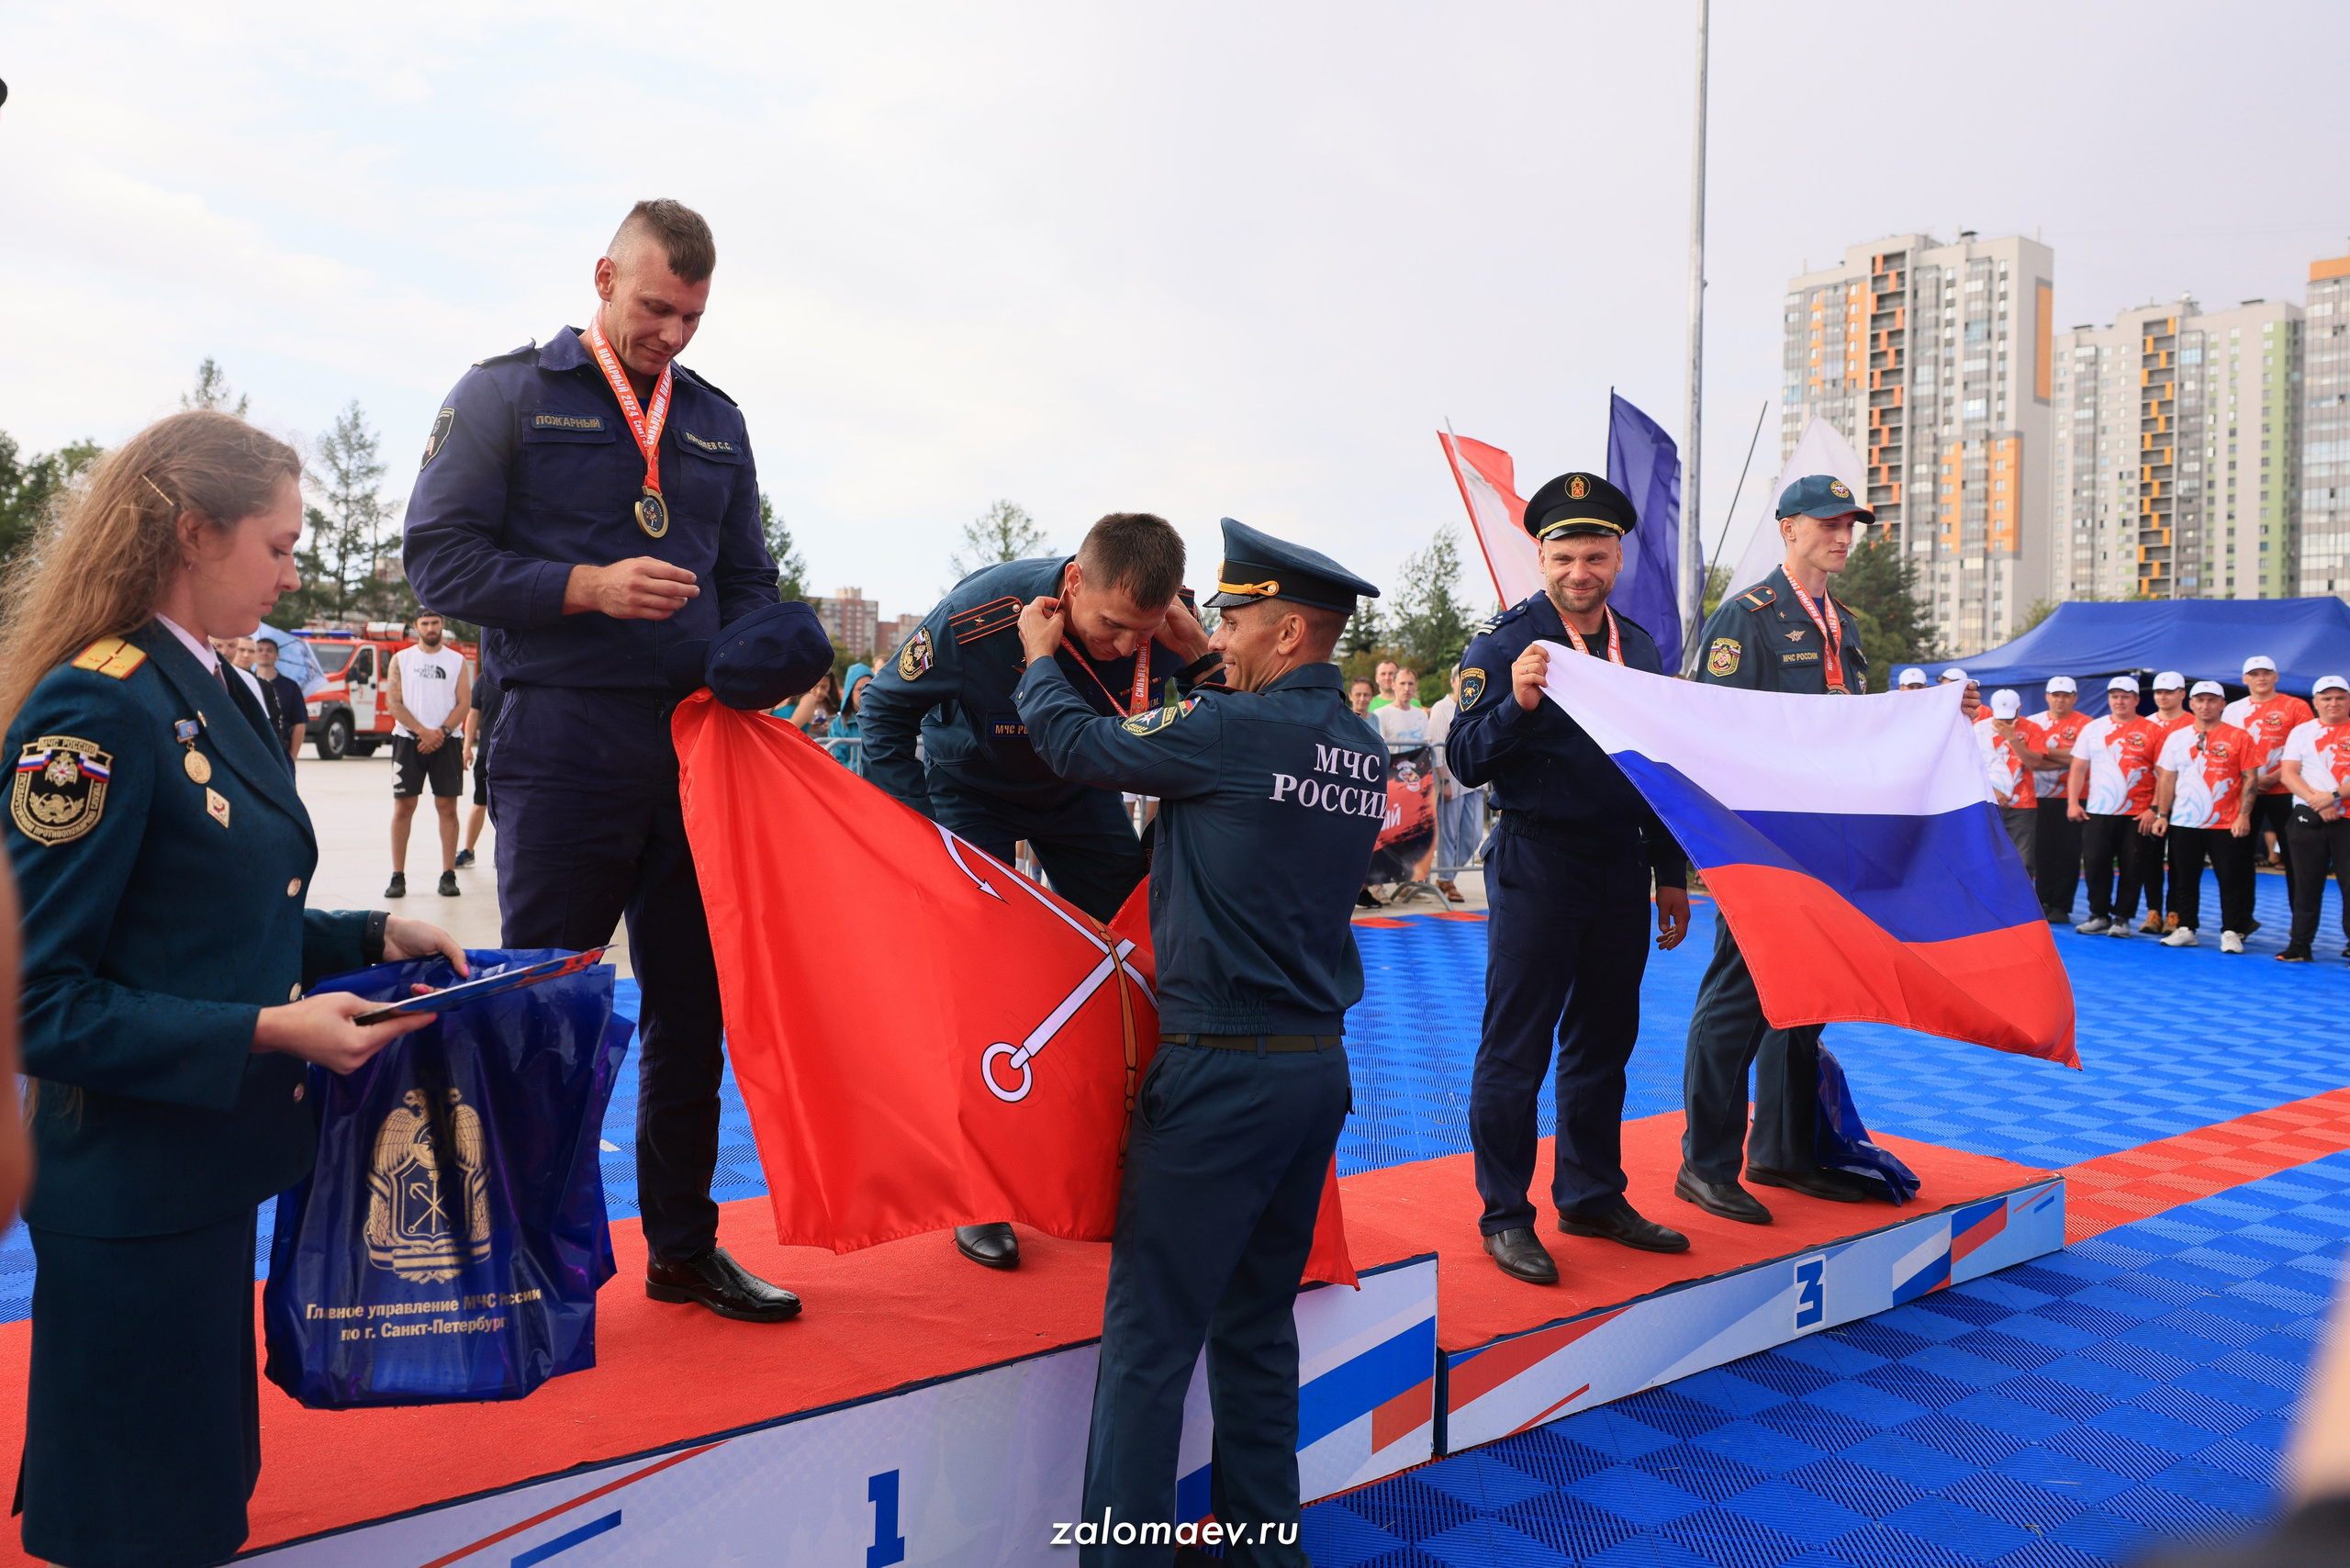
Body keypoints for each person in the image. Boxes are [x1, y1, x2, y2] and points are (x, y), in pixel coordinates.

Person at [1, 409, 465, 1567]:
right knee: (139, 1515)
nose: (293, 576)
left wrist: (371, 930)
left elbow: (207, 916)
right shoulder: (96, 707)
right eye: (279, 546)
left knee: (197, 1494)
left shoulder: (222, 688)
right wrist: (268, 1029)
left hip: (201, 1173)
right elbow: (35, 999)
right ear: (194, 532)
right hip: (129, 1193)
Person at [405, 198, 823, 1324]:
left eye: (692, 317)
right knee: (545, 1004)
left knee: (693, 1008)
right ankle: (521, 1257)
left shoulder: (716, 419)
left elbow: (745, 576)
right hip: (561, 743)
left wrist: (765, 652)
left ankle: (683, 1247)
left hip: (696, 748)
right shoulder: (504, 392)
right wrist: (583, 587)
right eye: (654, 309)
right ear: (603, 277)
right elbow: (437, 560)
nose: (670, 335)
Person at [1010, 516, 1384, 1568]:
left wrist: (1040, 661)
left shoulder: (1229, 730)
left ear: (1289, 630)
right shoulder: (1358, 748)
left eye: (1233, 619)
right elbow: (1249, 759)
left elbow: (1078, 746)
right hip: (1314, 1072)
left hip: (1220, 1073)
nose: (1216, 634)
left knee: (1149, 1341)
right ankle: (1266, 1549)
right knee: (1256, 1326)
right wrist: (1199, 664)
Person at [860, 510, 1213, 1270]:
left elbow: (1227, 725)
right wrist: (920, 839)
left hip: (1078, 790)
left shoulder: (1171, 625)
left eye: (1143, 633)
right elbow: (883, 712)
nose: (1126, 647)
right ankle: (980, 1191)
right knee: (979, 982)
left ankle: (1123, 1151)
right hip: (971, 791)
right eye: (1112, 626)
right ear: (1075, 582)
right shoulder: (981, 614)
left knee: (1139, 949)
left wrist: (1202, 655)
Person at [1446, 471, 1691, 1284]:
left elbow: (1655, 767)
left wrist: (1668, 871)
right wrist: (1514, 704)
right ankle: (1505, 1215)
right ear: (1542, 559)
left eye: (1595, 555)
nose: (1580, 572)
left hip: (1620, 864)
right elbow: (1464, 760)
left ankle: (1590, 1195)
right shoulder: (1504, 643)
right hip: (1538, 862)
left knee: (1603, 1041)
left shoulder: (1641, 647)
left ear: (1617, 558)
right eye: (1564, 557)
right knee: (1516, 1046)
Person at [1680, 474, 1877, 1225]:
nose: (1842, 535)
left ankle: (1785, 1151)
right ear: (1788, 528)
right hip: (1759, 842)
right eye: (1827, 523)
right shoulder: (1748, 616)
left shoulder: (1843, 624)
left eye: (1849, 524)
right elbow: (1713, 731)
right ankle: (1705, 1164)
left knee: (1807, 996)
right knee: (1739, 997)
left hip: (1825, 839)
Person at [2152, 681, 2256, 951]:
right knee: (2184, 877)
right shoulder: (2177, 738)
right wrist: (2162, 814)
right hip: (2184, 821)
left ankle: (2231, 931)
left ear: (2223, 704)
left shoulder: (2240, 737)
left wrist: (2244, 816)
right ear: (2191, 704)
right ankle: (2186, 927)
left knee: (2230, 879)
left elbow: (2250, 779)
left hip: (2226, 822)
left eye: (2212, 700)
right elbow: (2167, 778)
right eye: (2200, 700)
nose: (2205, 706)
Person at [385, 610, 471, 899]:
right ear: (416, 626)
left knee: (448, 809)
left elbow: (464, 703)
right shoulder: (402, 659)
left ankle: (448, 875)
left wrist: (440, 733)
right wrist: (422, 731)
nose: (430, 627)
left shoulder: (456, 660)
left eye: (435, 622)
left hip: (447, 742)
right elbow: (393, 702)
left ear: (442, 624)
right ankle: (397, 876)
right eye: (425, 623)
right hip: (409, 741)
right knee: (403, 808)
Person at [2066, 676, 2161, 935]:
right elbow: (2078, 768)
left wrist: (2154, 808)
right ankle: (2099, 914)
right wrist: (2073, 802)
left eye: (2125, 697)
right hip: (2099, 810)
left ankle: (2122, 918)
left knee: (2133, 866)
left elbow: (2165, 774)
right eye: (2115, 696)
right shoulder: (2094, 728)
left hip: (2138, 813)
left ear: (2136, 700)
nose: (2119, 701)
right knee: (2095, 863)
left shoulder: (2153, 730)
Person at [2277, 675, 2350, 963]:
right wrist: (2317, 802)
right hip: (2308, 816)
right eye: (2327, 698)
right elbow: (2288, 774)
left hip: (2347, 818)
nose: (2333, 703)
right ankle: (2299, 945)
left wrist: (2332, 796)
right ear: (2315, 702)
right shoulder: (2301, 732)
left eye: (2340, 697)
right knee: (2305, 883)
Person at [2224, 655, 2313, 877]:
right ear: (2245, 679)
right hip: (2245, 791)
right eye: (2254, 674)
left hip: (2287, 790)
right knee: (2240, 854)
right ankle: (2242, 903)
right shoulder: (2233, 710)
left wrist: (2273, 778)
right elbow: (2228, 750)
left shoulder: (2296, 706)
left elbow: (2308, 750)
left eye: (2266, 673)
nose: (2261, 678)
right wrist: (2251, 780)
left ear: (2276, 677)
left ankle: (2298, 902)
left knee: (2294, 856)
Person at [2139, 671, 2195, 933]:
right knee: (2150, 860)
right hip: (2152, 804)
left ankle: (2175, 913)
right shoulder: (2145, 724)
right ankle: (2153, 913)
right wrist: (2153, 806)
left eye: (2169, 692)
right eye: (2158, 692)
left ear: (2182, 694)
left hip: (2186, 804)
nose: (2162, 697)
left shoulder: (2195, 724)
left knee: (2180, 862)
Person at [2030, 677, 2088, 923]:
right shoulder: (2033, 723)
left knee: (2069, 852)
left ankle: (2062, 905)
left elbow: (2083, 758)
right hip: (2038, 795)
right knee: (2041, 851)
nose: (2060, 700)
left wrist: (2044, 754)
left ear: (2074, 698)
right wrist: (2069, 757)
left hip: (2073, 797)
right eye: (2056, 695)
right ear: (2047, 697)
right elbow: (2031, 759)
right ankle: (2042, 901)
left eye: (2066, 696)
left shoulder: (2087, 725)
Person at [1425, 665, 1483, 903]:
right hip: (1451, 781)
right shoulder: (1442, 708)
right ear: (1452, 681)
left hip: (1475, 782)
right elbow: (1437, 746)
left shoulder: (1478, 704)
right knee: (1448, 835)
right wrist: (1444, 781)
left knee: (1474, 835)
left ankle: (1447, 876)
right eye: (1461, 679)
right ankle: (1446, 879)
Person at [1375, 666, 1437, 888]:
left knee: (1410, 835)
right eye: (1402, 683)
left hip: (1413, 787)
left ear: (1416, 686)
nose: (1406, 688)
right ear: (1393, 685)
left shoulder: (1420, 715)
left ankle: (1407, 884)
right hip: (1389, 785)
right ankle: (1377, 885)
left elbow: (1426, 748)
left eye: (1411, 684)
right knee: (1384, 835)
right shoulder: (1382, 714)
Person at [1978, 689, 2040, 872]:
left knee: (2023, 862)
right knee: (1986, 859)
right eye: (2001, 717)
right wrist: (1993, 792)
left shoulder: (2032, 729)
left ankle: (2022, 892)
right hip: (1987, 802)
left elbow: (2035, 763)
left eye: (2009, 717)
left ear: (2019, 708)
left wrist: (2012, 738)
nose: (2005, 722)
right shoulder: (1978, 730)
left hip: (2023, 805)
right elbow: (1970, 767)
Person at [455, 648, 502, 869]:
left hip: (514, 754)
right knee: (479, 803)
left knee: (510, 809)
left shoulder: (519, 678)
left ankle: (504, 853)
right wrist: (466, 748)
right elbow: (473, 715)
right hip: (486, 754)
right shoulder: (483, 680)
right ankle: (468, 851)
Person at [252, 636, 308, 766]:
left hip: (281, 749)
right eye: (259, 650)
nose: (264, 653)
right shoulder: (246, 683)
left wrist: (292, 758)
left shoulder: (290, 687)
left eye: (269, 650)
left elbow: (299, 723)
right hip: (253, 747)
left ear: (277, 656)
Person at [826, 660, 873, 773]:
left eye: (869, 687)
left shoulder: (885, 721)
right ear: (850, 693)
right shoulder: (837, 726)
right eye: (860, 689)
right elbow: (836, 765)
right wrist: (869, 767)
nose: (865, 693)